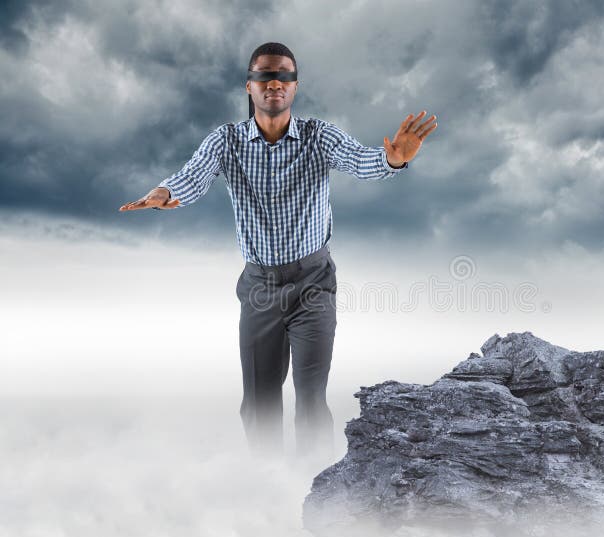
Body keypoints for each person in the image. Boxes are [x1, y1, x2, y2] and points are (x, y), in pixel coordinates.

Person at [118, 42, 437, 466]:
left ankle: (317, 486)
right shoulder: (227, 141)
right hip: (259, 289)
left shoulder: (318, 136)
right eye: (265, 75)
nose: (275, 83)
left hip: (313, 285)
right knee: (259, 401)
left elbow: (362, 160)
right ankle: (266, 486)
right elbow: (190, 177)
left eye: (284, 76)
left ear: (295, 87)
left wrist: (392, 161)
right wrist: (162, 194)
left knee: (310, 398)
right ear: (250, 86)